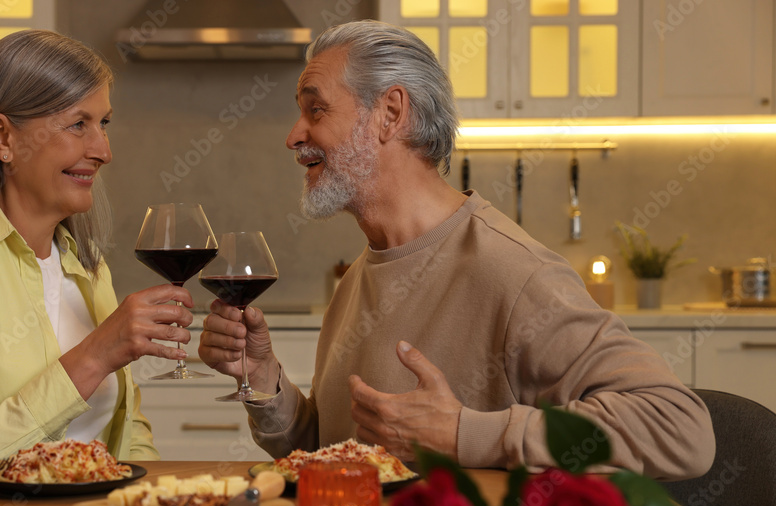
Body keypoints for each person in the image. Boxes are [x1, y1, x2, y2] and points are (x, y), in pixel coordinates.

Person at [198, 20, 715, 480]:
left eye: (316, 109)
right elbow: (332, 457)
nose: (294, 135)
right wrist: (261, 378)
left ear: (390, 113)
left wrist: (464, 434)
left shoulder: (513, 271)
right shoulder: (359, 276)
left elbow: (678, 427)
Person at [0, 30, 193, 463]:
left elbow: (127, 433)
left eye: (104, 124)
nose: (103, 150)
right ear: (3, 138)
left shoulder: (87, 267)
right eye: (79, 124)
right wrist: (95, 355)